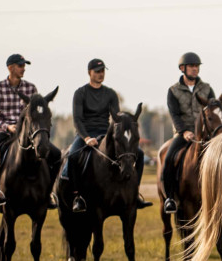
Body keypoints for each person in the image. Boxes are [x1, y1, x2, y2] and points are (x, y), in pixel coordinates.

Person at [59, 58, 152, 213]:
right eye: (97, 71)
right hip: (85, 134)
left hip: (106, 133)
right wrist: (86, 138)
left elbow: (115, 118)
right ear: (89, 73)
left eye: (102, 71)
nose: (101, 74)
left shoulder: (110, 94)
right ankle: (78, 197)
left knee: (140, 154)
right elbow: (77, 120)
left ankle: (135, 194)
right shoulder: (80, 93)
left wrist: (126, 120)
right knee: (72, 157)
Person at [161, 52, 222, 214]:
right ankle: (169, 198)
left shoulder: (206, 88)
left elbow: (213, 108)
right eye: (192, 66)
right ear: (183, 68)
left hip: (206, 133)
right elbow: (174, 114)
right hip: (183, 134)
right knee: (168, 158)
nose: (195, 69)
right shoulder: (173, 91)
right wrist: (184, 131)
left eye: (197, 66)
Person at [0, 53, 58, 209]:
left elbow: (37, 113)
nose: (23, 69)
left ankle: (47, 193)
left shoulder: (31, 88)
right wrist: (8, 126)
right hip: (5, 132)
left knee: (56, 154)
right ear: (10, 68)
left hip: (28, 134)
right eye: (20, 66)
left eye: (23, 66)